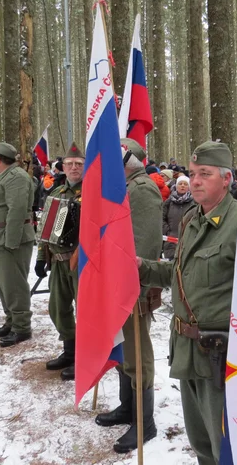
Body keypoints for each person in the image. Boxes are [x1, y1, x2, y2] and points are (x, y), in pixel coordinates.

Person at [137, 141, 237, 464]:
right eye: (192, 173)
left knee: (228, 450)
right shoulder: (191, 220)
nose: (195, 180)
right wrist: (141, 267)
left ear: (227, 179)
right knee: (202, 444)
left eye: (205, 173)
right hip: (189, 354)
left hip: (226, 360)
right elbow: (179, 274)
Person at [94, 138, 162, 454]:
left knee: (137, 353)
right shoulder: (126, 188)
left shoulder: (142, 189)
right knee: (123, 350)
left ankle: (143, 421)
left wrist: (138, 289)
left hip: (132, 287)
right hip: (116, 284)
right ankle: (127, 406)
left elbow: (145, 245)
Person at [35, 142, 84, 379]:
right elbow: (45, 228)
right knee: (57, 308)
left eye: (79, 164)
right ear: (62, 167)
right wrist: (40, 257)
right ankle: (70, 350)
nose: (74, 168)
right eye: (70, 164)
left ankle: (85, 357)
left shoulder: (94, 193)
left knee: (84, 312)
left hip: (82, 264)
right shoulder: (56, 193)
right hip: (57, 261)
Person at [0, 142, 35, 347]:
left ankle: (21, 326)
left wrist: (11, 241)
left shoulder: (16, 178)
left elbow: (17, 211)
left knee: (14, 285)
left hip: (11, 239)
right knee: (4, 284)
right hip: (0, 238)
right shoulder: (5, 177)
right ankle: (12, 320)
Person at [161, 175, 195, 260]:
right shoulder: (169, 202)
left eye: (185, 184)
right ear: (176, 186)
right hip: (170, 240)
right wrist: (167, 231)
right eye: (180, 184)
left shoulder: (194, 203)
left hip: (188, 239)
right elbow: (161, 218)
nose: (182, 186)